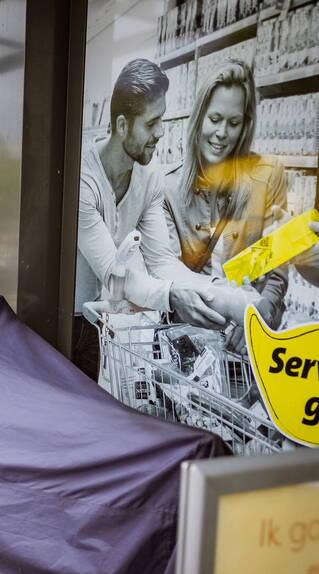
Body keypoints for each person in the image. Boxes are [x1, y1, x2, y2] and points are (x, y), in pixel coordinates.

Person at [74, 59, 225, 376]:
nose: (160, 132)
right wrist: (170, 296)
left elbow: (161, 260)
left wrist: (214, 291)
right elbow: (113, 275)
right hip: (56, 315)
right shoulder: (83, 180)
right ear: (122, 125)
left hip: (94, 320)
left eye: (162, 120)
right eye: (151, 122)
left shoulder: (149, 175)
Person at [163, 60, 289, 344]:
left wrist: (260, 318)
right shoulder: (167, 187)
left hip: (249, 348)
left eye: (233, 123)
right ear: (199, 118)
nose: (222, 133)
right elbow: (168, 270)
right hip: (186, 343)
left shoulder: (268, 175)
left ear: (245, 125)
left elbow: (276, 271)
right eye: (215, 119)